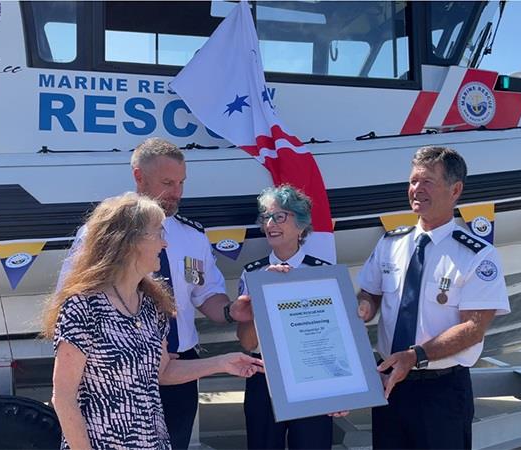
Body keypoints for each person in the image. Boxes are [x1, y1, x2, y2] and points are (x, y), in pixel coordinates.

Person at [58, 138, 252, 449]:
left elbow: (206, 294)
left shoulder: (192, 236)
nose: (177, 192)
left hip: (179, 369)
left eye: (181, 182)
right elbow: (72, 297)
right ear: (138, 176)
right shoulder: (101, 235)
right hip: (114, 376)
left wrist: (232, 312)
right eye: (167, 182)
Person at [357, 146, 510, 449]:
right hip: (389, 384)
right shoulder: (391, 243)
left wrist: (415, 356)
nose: (416, 189)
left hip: (440, 390)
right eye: (413, 181)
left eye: (427, 182)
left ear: (455, 190)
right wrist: (363, 308)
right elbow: (370, 293)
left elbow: (473, 328)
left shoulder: (478, 256)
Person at [237, 184, 343, 449]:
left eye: (280, 216)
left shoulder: (323, 273)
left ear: (301, 225)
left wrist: (343, 393)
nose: (271, 223)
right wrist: (260, 293)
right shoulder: (253, 274)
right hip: (265, 376)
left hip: (313, 377)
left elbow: (336, 340)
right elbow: (248, 343)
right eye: (267, 217)